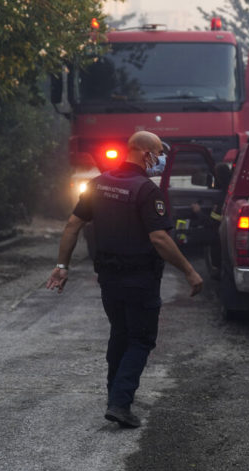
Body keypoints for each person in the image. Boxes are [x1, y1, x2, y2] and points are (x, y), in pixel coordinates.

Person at [46, 130, 204, 429]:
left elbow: (72, 225)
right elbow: (159, 238)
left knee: (120, 333)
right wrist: (189, 270)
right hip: (140, 279)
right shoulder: (146, 191)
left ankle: (114, 398)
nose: (161, 159)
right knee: (141, 339)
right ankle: (120, 403)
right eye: (158, 153)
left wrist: (61, 266)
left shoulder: (97, 184)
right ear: (145, 154)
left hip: (108, 279)